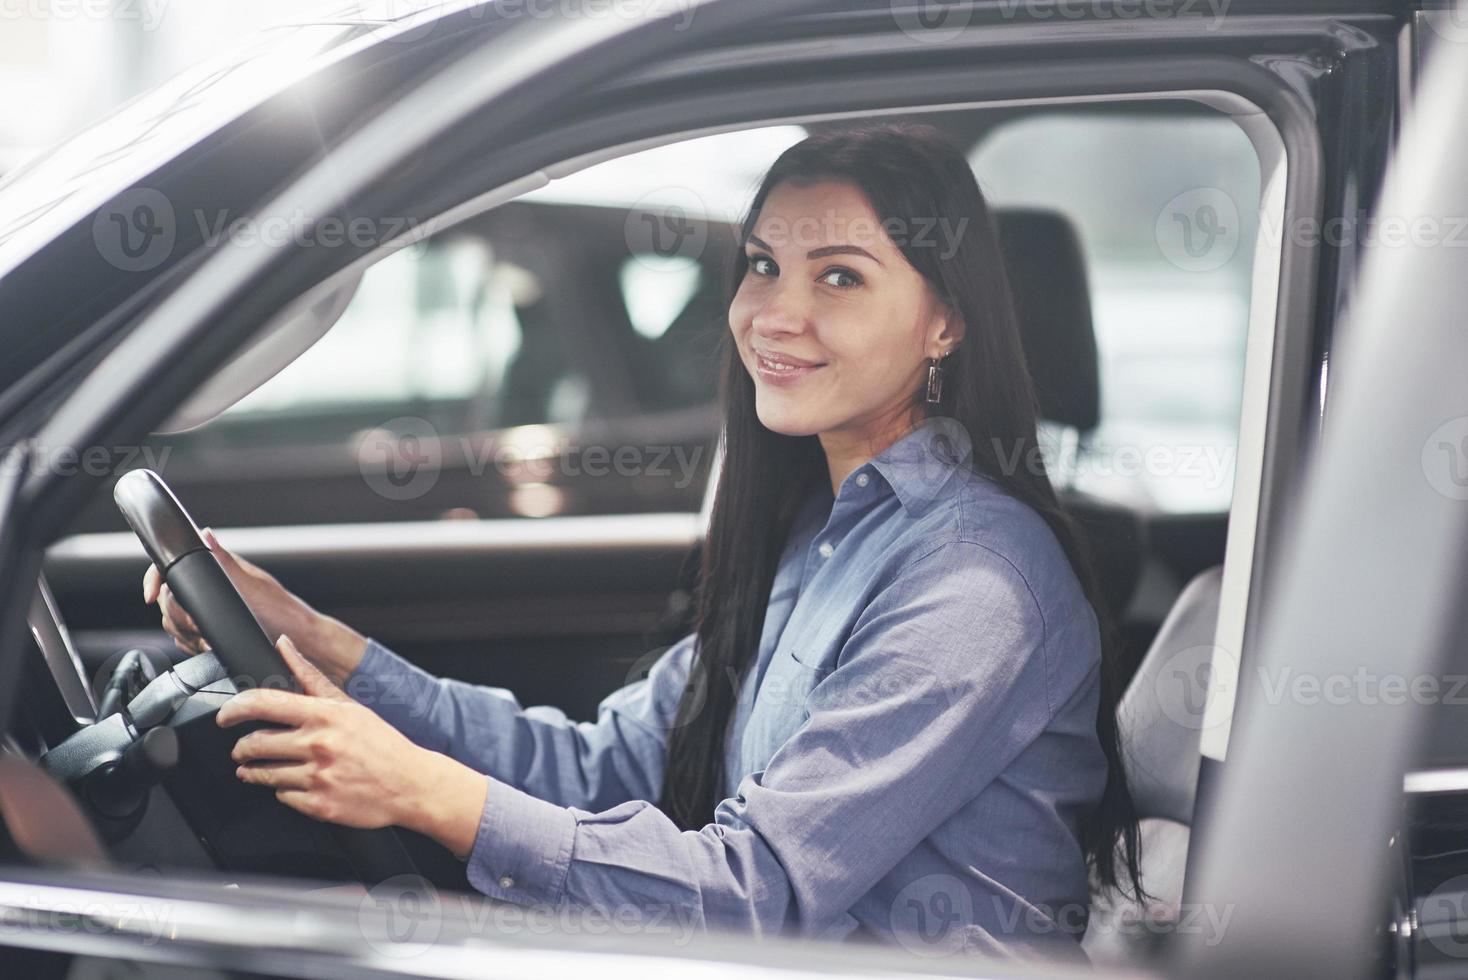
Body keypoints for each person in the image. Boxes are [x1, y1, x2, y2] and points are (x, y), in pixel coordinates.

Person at [145, 122, 1145, 962]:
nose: (775, 314)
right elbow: (602, 765)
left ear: (944, 325)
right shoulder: (820, 536)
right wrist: (325, 642)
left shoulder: (974, 582)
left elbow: (754, 891)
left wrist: (423, 789)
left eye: (839, 276)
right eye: (762, 265)